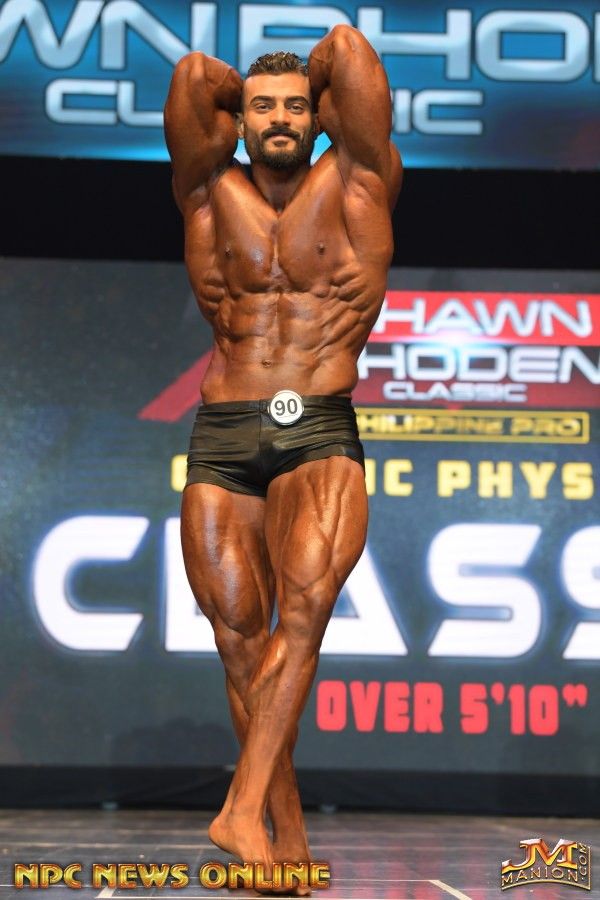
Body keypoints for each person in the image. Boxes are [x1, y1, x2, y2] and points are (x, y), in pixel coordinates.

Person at [164, 24, 402, 888]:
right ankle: (284, 841)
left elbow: (348, 48)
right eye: (262, 107)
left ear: (321, 116)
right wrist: (244, 91)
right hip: (224, 431)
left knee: (300, 621)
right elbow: (195, 76)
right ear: (239, 119)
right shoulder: (208, 191)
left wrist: (313, 76)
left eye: (296, 107)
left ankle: (239, 810)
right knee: (240, 645)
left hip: (318, 426)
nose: (278, 120)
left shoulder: (360, 179)